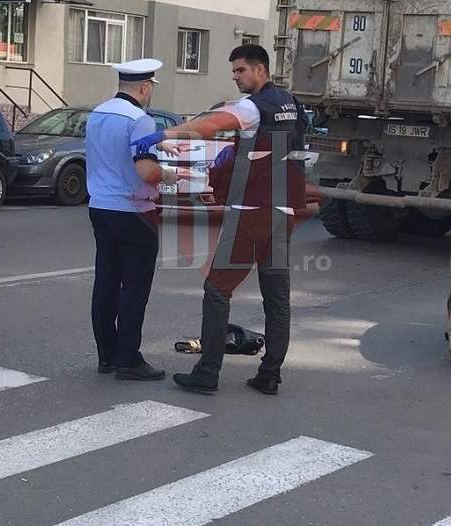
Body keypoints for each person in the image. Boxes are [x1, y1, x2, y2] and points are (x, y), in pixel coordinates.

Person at [132, 44, 308, 395]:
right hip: (285, 209)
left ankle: (207, 372)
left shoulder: (253, 106)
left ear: (260, 70)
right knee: (277, 297)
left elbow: (212, 124)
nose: (236, 77)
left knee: (216, 289)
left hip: (253, 212)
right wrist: (242, 152)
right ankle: (269, 375)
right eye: (234, 72)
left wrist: (165, 134)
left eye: (241, 71)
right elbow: (287, 146)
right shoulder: (291, 103)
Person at [86, 58, 184, 381]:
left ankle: (107, 355)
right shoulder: (140, 119)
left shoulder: (98, 113)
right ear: (145, 88)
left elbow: (115, 151)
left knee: (106, 282)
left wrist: (158, 141)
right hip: (134, 212)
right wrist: (173, 174)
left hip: (100, 207)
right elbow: (147, 171)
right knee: (134, 288)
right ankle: (128, 359)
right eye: (150, 89)